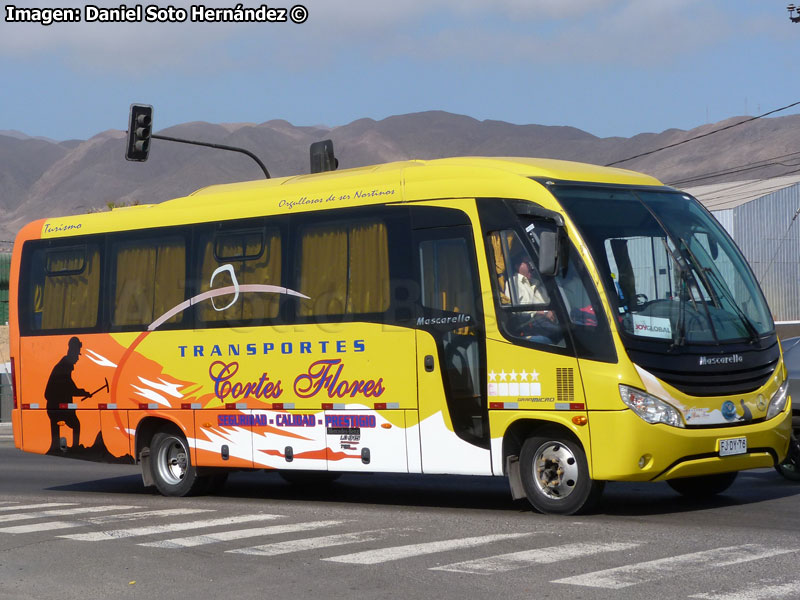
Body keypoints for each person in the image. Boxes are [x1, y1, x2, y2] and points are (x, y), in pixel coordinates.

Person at [45, 336, 89, 452]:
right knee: (76, 424)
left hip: (54, 405)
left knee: (62, 426)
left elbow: (70, 386)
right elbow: (69, 387)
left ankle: (55, 447)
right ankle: (73, 448)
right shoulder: (64, 367)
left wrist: (81, 392)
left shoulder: (63, 366)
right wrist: (82, 393)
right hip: (56, 405)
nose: (78, 358)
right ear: (72, 352)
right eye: (77, 354)